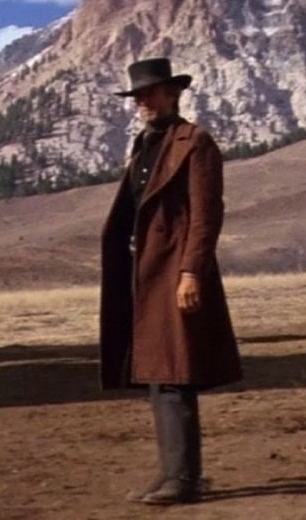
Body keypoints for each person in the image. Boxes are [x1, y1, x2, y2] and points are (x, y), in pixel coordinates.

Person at [98, 57, 243, 505]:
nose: (142, 102)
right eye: (137, 96)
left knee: (176, 373)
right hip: (143, 272)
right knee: (156, 374)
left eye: (150, 93)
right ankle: (171, 474)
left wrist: (190, 271)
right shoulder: (145, 145)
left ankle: (184, 478)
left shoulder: (194, 141)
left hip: (173, 270)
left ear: (172, 93)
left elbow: (206, 214)